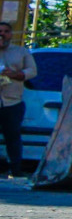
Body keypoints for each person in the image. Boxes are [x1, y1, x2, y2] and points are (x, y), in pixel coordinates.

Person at [0, 22, 36, 178]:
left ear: (11, 34)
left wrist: (15, 74)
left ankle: (15, 170)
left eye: (6, 31)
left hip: (12, 102)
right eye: (0, 31)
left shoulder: (21, 52)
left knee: (13, 137)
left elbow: (32, 71)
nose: (3, 34)